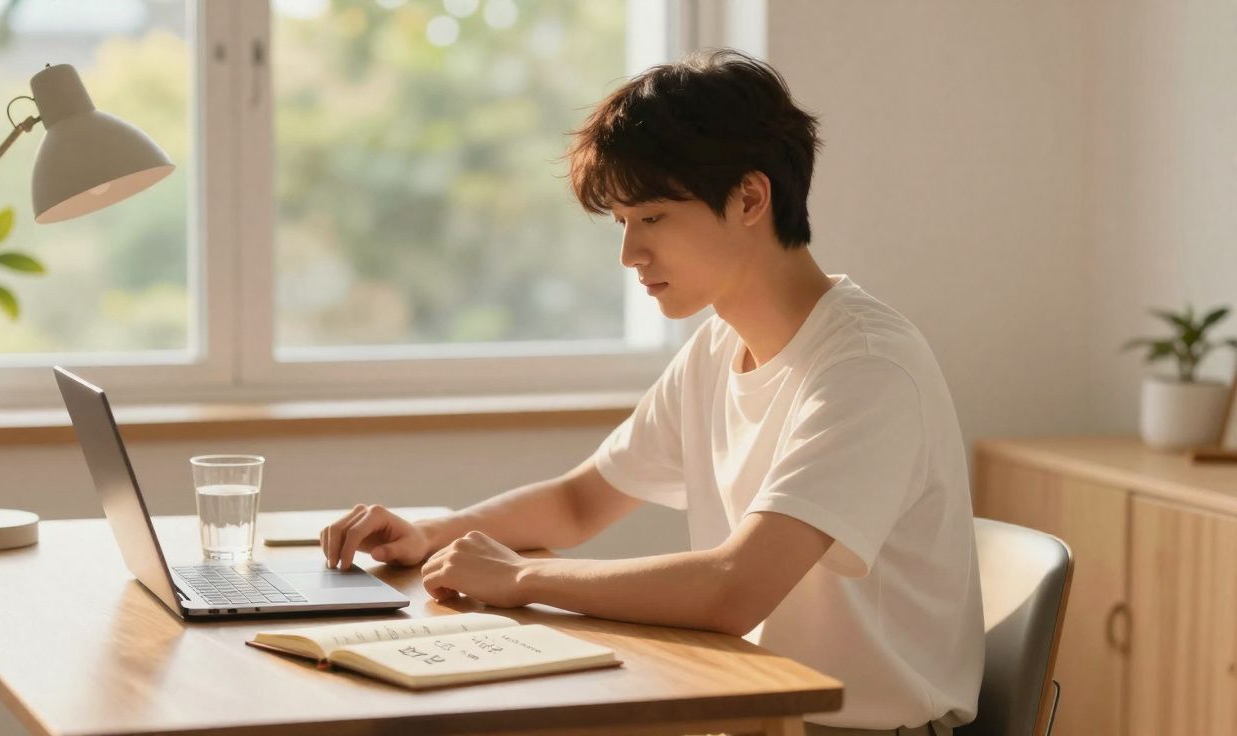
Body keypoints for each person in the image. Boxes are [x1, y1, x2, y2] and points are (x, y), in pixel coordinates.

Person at [319, 49, 982, 735]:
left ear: (751, 198)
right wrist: (429, 534)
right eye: (622, 222)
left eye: (654, 218)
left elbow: (734, 588)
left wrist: (520, 579)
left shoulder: (867, 367)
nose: (630, 254)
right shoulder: (719, 348)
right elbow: (581, 502)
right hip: (751, 714)